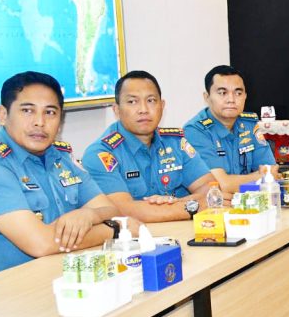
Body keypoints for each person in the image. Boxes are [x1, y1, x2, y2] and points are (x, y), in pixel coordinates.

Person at [0, 72, 122, 280]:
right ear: (3, 115)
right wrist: (114, 230)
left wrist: (89, 215)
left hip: (54, 275)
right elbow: (41, 244)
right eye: (27, 111)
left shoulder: (59, 156)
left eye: (50, 112)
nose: (39, 122)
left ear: (60, 120)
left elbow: (110, 209)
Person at [82, 70, 218, 222]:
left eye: (151, 100)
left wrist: (173, 204)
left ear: (162, 105)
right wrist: (191, 206)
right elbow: (123, 211)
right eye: (132, 102)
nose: (143, 110)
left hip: (182, 230)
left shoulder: (175, 142)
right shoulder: (101, 154)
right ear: (116, 110)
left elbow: (211, 189)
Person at [183, 65, 278, 188]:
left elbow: (271, 170)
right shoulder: (195, 131)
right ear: (207, 97)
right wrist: (261, 177)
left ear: (245, 96)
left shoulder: (249, 124)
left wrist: (263, 176)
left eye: (238, 93)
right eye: (222, 93)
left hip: (248, 198)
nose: (231, 99)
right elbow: (222, 184)